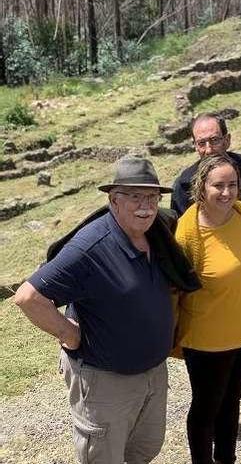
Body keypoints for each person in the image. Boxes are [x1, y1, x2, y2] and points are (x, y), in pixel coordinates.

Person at [12, 157, 185, 463]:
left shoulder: (157, 234)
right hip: (105, 381)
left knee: (143, 450)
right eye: (134, 196)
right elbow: (28, 296)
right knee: (103, 457)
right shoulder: (91, 247)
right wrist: (70, 334)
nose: (145, 205)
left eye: (151, 197)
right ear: (113, 200)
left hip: (152, 374)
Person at [174, 154, 241, 464]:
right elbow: (176, 289)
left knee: (232, 402)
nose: (226, 193)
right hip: (208, 340)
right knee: (206, 408)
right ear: (201, 188)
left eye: (232, 185)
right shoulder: (188, 230)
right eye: (218, 186)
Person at [171, 113, 241, 217]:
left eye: (214, 140)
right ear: (195, 146)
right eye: (201, 143)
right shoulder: (184, 186)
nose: (209, 150)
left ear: (227, 140)